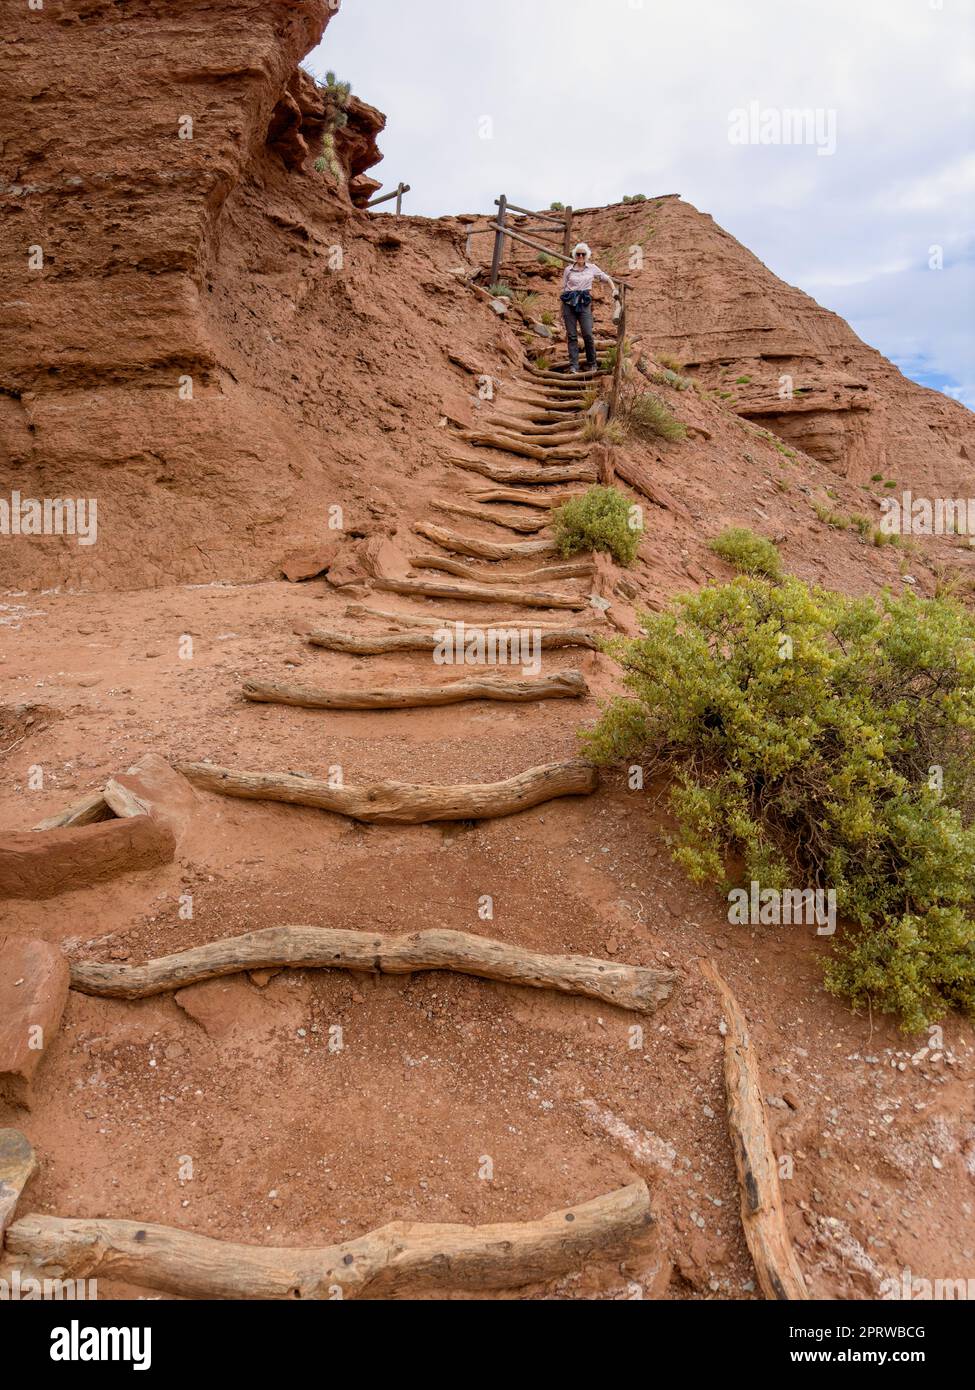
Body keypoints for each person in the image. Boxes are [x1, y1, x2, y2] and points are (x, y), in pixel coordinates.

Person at [560, 242, 618, 373]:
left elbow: (606, 277)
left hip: (584, 302)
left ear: (587, 255)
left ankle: (592, 363)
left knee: (587, 334)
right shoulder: (568, 270)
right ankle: (574, 366)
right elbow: (563, 289)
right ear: (575, 255)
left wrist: (614, 289)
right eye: (578, 254)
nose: (580, 256)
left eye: (583, 254)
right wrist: (560, 311)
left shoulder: (592, 268)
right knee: (572, 335)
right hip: (568, 303)